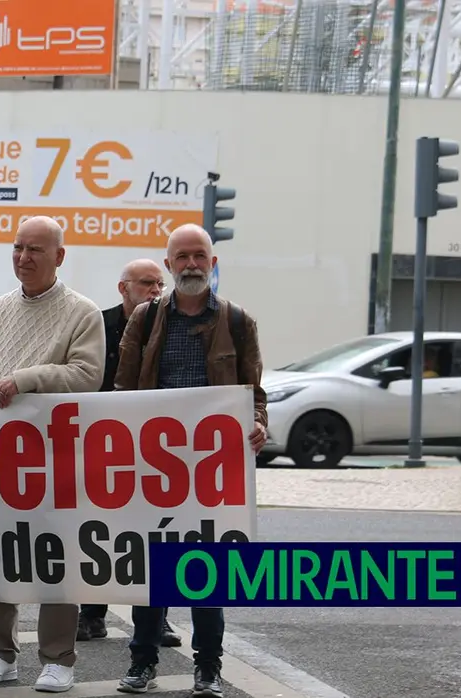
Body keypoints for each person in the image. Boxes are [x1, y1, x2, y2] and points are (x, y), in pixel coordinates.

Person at [113, 223, 267, 697]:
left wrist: (259, 422)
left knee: (208, 569)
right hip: (154, 464)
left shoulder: (238, 321)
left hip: (212, 468)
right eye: (182, 257)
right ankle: (142, 663)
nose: (191, 264)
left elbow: (254, 392)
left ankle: (208, 669)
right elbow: (123, 388)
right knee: (153, 568)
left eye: (199, 255)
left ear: (213, 263)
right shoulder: (144, 317)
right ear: (168, 265)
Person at [0, 216, 104, 693]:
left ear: (59, 257)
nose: (23, 257)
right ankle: (0, 652)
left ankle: (58, 657)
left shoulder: (83, 313)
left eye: (35, 250)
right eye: (18, 247)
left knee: (55, 559)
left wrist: (27, 378)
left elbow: (87, 375)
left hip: (54, 460)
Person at [77, 259, 180, 648]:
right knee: (96, 531)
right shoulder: (97, 325)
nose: (155, 290)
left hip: (155, 448)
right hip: (102, 445)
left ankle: (159, 620)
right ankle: (91, 613)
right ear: (124, 288)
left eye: (159, 284)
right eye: (146, 283)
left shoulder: (173, 326)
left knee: (159, 534)